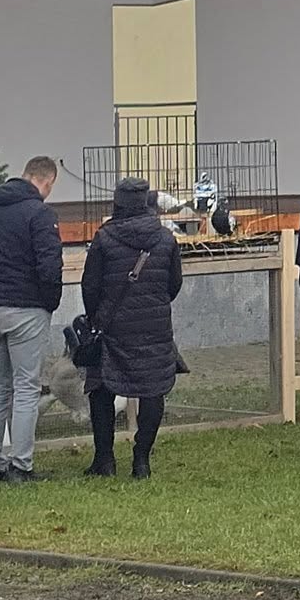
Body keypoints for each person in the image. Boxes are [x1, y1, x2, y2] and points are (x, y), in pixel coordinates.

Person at [0, 155, 63, 485]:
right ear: (46, 181)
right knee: (25, 389)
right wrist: (49, 303)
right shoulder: (39, 214)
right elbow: (50, 267)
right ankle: (21, 466)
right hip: (27, 308)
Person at [81, 177, 183, 480]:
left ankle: (105, 459)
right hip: (154, 326)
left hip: (111, 327)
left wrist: (96, 316)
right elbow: (173, 284)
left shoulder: (104, 238)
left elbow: (90, 285)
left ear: (117, 203)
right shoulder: (166, 239)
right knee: (153, 390)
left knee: (101, 389)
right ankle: (141, 460)